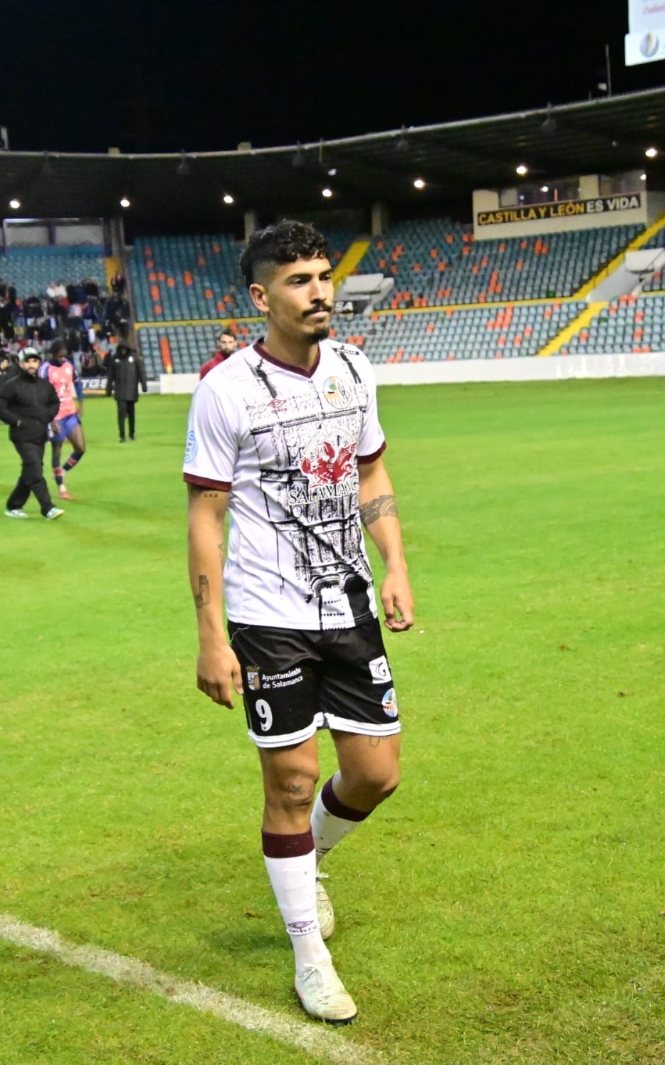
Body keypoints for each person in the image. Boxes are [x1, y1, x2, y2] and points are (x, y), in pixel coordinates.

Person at [183, 220, 414, 1025]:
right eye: (299, 280)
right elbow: (206, 514)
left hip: (347, 601)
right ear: (261, 296)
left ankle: (307, 859)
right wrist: (211, 635)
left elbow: (370, 464)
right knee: (289, 778)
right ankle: (310, 956)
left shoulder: (354, 368)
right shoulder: (226, 388)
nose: (320, 291)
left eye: (324, 275)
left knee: (377, 774)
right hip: (266, 610)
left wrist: (395, 562)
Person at [0, 347, 63, 520]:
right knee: (35, 471)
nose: (31, 365)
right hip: (21, 435)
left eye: (34, 361)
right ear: (21, 363)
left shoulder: (44, 385)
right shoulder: (12, 385)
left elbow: (55, 402)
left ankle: (13, 506)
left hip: (40, 435)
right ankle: (47, 508)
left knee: (31, 471)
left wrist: (47, 416)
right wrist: (15, 421)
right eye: (27, 361)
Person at [40, 340, 86, 501]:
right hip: (55, 416)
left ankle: (62, 471)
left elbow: (78, 384)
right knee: (57, 450)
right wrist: (50, 418)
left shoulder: (69, 365)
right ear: (53, 354)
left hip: (70, 413)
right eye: (60, 356)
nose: (62, 359)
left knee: (80, 448)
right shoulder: (45, 370)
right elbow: (40, 395)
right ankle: (61, 487)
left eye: (64, 356)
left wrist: (80, 403)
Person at [107, 342, 147, 443]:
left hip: (131, 390)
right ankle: (122, 435)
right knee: (121, 414)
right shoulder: (115, 359)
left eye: (125, 349)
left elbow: (141, 371)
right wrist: (108, 388)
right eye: (121, 349)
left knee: (131, 414)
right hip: (119, 391)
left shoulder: (134, 358)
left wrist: (144, 385)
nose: (123, 351)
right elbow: (110, 375)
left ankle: (131, 433)